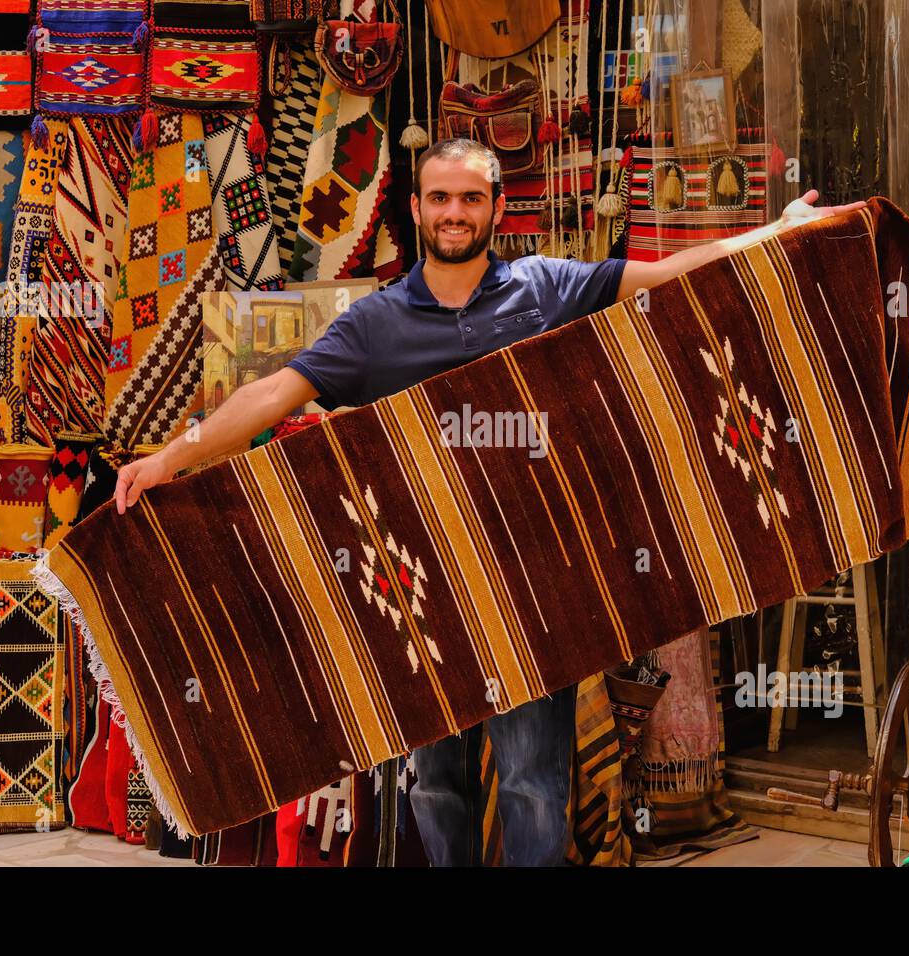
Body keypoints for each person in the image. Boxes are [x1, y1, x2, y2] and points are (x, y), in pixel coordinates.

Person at [113, 137, 862, 866]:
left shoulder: (546, 288)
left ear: (497, 208)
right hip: (420, 595)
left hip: (535, 586)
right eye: (440, 198)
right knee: (435, 785)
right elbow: (274, 393)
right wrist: (171, 459)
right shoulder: (377, 326)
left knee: (536, 781)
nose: (455, 213)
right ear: (415, 209)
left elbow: (665, 278)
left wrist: (776, 233)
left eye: (471, 198)